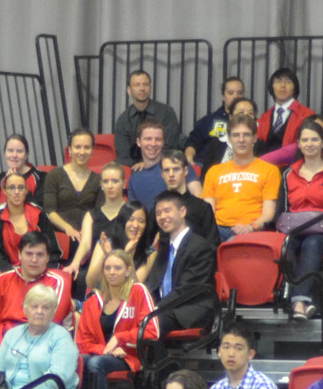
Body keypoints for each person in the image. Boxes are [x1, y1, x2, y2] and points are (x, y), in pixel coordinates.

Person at [272, 117, 323, 321]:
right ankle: (307, 300)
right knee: (285, 244)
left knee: (312, 243)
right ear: (298, 143)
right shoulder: (288, 173)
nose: (309, 144)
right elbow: (281, 212)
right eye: (304, 140)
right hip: (295, 231)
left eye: (314, 139)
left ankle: (297, 302)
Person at [138, 190, 218, 370]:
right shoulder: (164, 246)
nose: (162, 217)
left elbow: (186, 289)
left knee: (150, 322)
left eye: (167, 211)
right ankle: (149, 372)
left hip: (190, 309)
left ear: (182, 212)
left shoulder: (199, 246)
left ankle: (157, 373)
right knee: (132, 318)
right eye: (158, 213)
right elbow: (155, 283)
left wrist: (155, 309)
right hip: (168, 308)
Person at [74, 249, 153, 389]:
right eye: (107, 268)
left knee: (95, 363)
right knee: (80, 360)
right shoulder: (92, 301)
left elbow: (151, 331)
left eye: (117, 268)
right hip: (103, 354)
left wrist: (120, 338)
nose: (112, 272)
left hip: (129, 356)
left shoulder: (138, 292)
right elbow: (82, 343)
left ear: (128, 271)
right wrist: (106, 350)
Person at [0, 231, 73, 352]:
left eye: (40, 255)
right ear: (19, 255)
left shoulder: (58, 283)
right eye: (29, 254)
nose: (34, 260)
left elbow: (47, 323)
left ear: (47, 257)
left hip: (42, 348)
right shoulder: (2, 280)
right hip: (5, 345)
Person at [200, 114, 280, 238]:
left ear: (255, 138)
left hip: (252, 230)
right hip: (218, 230)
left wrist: (251, 227)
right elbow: (208, 212)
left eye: (246, 135)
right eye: (236, 135)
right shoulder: (214, 171)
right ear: (229, 139)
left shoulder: (270, 170)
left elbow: (269, 214)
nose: (241, 140)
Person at [43, 129, 101, 280]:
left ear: (92, 151)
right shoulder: (55, 175)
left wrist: (84, 233)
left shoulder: (98, 180)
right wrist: (67, 228)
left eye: (86, 147)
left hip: (87, 238)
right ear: (69, 150)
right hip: (58, 238)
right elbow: (49, 211)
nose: (82, 152)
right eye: (77, 147)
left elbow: (98, 213)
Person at [79, 164, 137, 292]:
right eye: (106, 181)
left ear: (124, 183)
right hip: (99, 265)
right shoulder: (91, 214)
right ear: (101, 184)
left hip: (128, 265)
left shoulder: (133, 213)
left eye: (115, 181)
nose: (110, 186)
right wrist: (75, 263)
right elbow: (85, 244)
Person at [0, 172, 51, 273]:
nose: (16, 192)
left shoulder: (39, 214)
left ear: (26, 190)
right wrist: (15, 275)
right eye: (11, 188)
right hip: (7, 273)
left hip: (39, 271)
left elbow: (51, 249)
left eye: (21, 188)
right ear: (4, 191)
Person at [185, 76, 249, 169]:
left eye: (239, 93)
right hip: (204, 166)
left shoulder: (250, 122)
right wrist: (190, 160)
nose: (235, 96)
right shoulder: (208, 120)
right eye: (231, 93)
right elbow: (192, 143)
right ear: (223, 96)